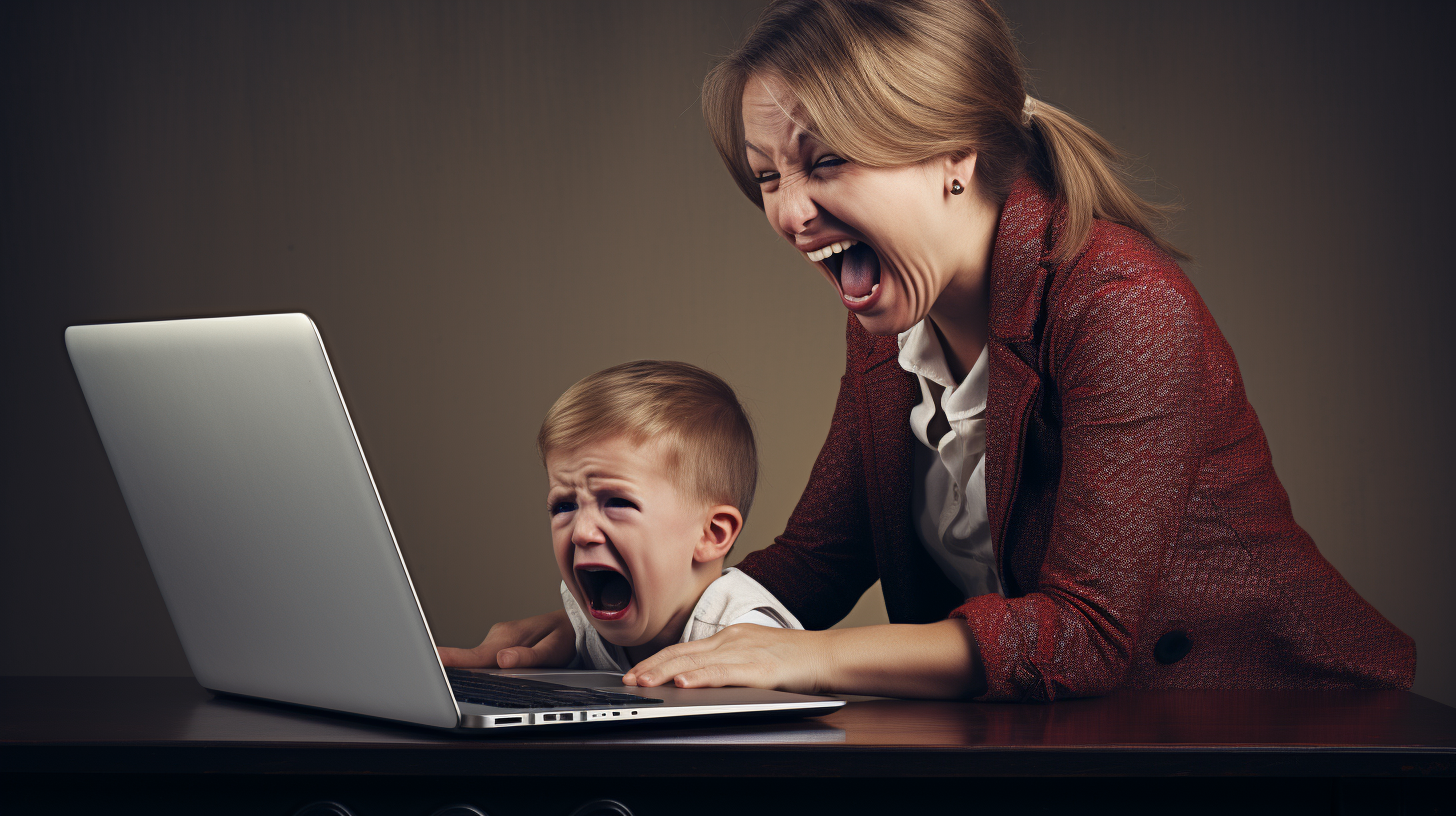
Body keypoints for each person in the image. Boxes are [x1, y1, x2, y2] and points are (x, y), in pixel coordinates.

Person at [443, 0, 1416, 701]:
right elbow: (815, 566)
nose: (785, 212)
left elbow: (1082, 635)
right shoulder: (888, 316)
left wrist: (802, 661)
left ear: (952, 154)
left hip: (1291, 736)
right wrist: (603, 638)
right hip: (1082, 741)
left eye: (824, 162)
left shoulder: (1125, 309)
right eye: (767, 176)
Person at [438, 360, 802, 673]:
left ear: (711, 534)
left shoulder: (746, 637)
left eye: (617, 502)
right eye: (564, 506)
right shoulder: (582, 623)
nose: (581, 533)